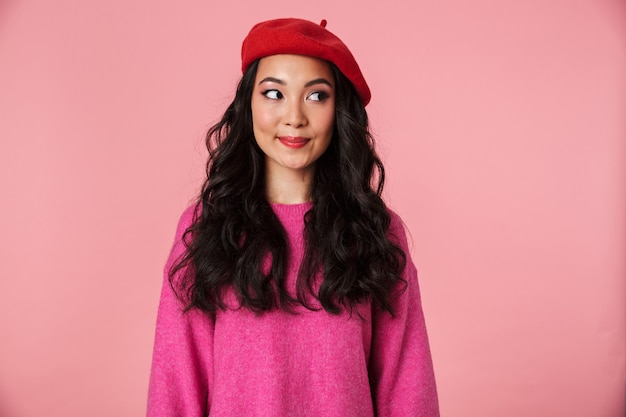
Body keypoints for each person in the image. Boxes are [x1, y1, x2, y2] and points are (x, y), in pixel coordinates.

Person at [147, 17, 439, 417]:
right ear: (247, 105)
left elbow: (408, 386)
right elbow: (175, 386)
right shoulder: (206, 228)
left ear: (340, 111)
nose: (294, 117)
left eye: (316, 96)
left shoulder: (376, 231)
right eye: (273, 93)